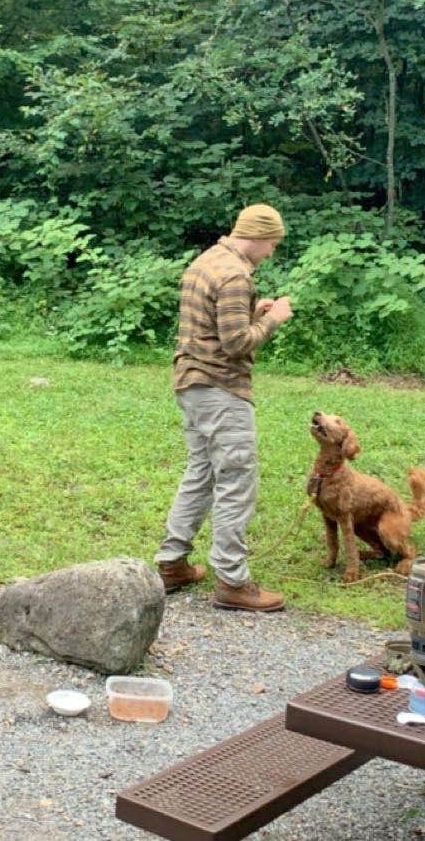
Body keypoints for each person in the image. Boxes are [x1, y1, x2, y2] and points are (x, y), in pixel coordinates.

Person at [154, 203, 294, 612]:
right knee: (236, 478)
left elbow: (215, 326)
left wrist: (252, 311)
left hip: (191, 384)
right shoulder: (235, 274)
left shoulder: (207, 261)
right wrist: (273, 320)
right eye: (271, 244)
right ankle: (232, 581)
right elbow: (235, 345)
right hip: (221, 388)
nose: (271, 253)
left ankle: (171, 563)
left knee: (200, 472)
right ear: (258, 235)